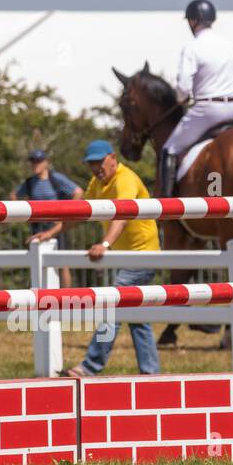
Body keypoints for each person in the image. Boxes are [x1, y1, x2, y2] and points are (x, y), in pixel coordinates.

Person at [60, 139, 160, 377]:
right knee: (136, 315)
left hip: (143, 254)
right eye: (91, 164)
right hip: (128, 256)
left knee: (112, 303)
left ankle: (90, 367)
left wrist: (105, 244)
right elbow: (80, 214)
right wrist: (50, 233)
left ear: (113, 158)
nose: (96, 168)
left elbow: (122, 215)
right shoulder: (98, 182)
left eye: (100, 162)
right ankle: (151, 373)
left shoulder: (125, 179)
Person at [158, 0, 233, 197]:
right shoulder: (229, 45)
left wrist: (181, 99)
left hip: (208, 110)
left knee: (169, 148)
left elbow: (183, 87)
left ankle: (165, 209)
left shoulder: (192, 47)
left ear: (192, 21)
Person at [10, 148, 83, 286]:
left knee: (62, 263)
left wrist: (68, 213)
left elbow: (78, 192)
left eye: (38, 161)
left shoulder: (56, 179)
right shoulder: (30, 182)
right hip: (37, 227)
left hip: (56, 227)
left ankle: (66, 300)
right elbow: (14, 195)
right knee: (36, 260)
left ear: (46, 162)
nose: (35, 164)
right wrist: (24, 215)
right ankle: (40, 296)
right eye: (33, 161)